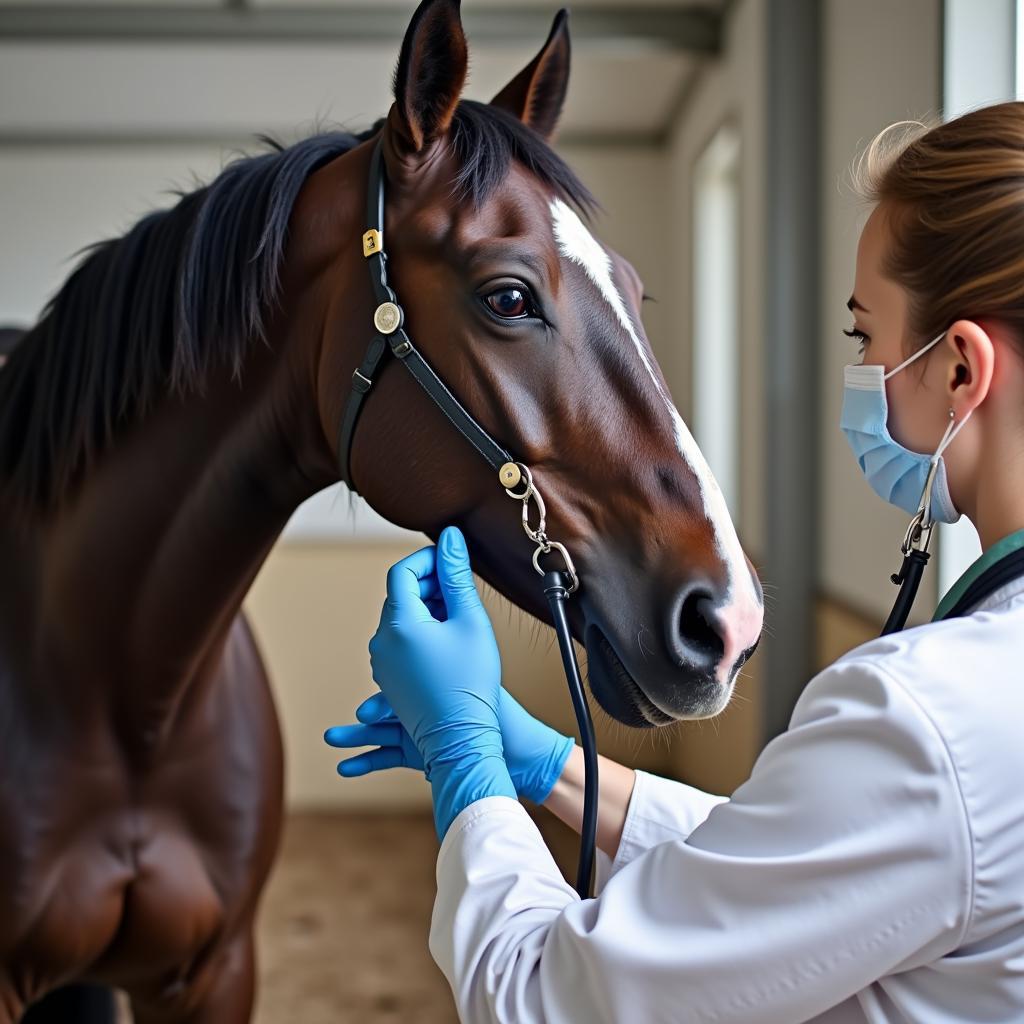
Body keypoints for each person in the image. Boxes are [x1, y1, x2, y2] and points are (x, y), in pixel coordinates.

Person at [324, 103, 1024, 1022]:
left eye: (867, 338)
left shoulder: (934, 722)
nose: (864, 369)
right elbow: (807, 878)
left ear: (962, 372)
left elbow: (541, 997)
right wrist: (546, 765)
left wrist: (467, 765)